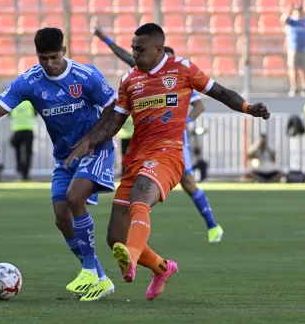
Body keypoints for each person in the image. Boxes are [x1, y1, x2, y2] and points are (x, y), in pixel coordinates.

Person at [66, 23, 270, 300]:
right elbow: (114, 121)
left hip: (168, 155)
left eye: (140, 49)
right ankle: (162, 268)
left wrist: (248, 108)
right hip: (135, 158)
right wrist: (89, 140)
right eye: (132, 49)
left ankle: (133, 260)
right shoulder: (129, 80)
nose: (134, 53)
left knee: (141, 198)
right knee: (115, 237)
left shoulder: (183, 69)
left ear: (159, 49)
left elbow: (220, 93)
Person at [0, 27, 116, 301]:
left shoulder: (86, 76)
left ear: (63, 52)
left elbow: (115, 110)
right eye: (43, 58)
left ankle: (88, 269)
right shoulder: (30, 81)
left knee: (74, 197)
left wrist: (90, 140)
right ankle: (101, 278)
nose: (49, 64)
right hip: (64, 157)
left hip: (95, 148)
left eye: (54, 57)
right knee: (61, 217)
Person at [93, 25, 223, 242]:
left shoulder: (180, 77)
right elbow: (127, 56)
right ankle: (134, 239)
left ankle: (212, 226)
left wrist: (185, 121)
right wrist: (105, 39)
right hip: (146, 144)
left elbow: (199, 106)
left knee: (188, 184)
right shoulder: (142, 73)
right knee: (137, 189)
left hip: (175, 142)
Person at [281, 4, 305, 97]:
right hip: (293, 48)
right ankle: (294, 87)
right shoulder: (291, 20)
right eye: (297, 10)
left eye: (300, 10)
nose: (298, 12)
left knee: (304, 68)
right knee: (293, 68)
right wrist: (288, 11)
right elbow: (283, 20)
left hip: (304, 48)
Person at [9, 101, 36, 181]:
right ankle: (26, 173)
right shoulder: (30, 103)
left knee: (18, 152)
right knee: (28, 153)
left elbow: (8, 114)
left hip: (17, 130)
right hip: (28, 129)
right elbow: (35, 114)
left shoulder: (14, 102)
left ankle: (19, 169)